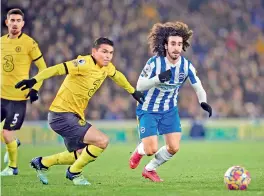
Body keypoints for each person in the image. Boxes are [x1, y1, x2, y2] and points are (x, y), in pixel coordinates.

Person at [15, 37, 145, 185]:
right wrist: (34, 80)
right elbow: (57, 68)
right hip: (62, 114)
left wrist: (132, 91)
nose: (108, 56)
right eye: (104, 51)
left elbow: (118, 76)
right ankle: (74, 172)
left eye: (111, 52)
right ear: (94, 51)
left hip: (72, 115)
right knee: (102, 141)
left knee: (80, 154)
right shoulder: (84, 63)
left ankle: (42, 163)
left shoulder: (106, 67)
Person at [129, 21, 212, 182]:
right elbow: (139, 85)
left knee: (174, 147)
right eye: (173, 43)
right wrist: (157, 79)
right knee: (151, 148)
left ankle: (149, 169)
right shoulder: (154, 63)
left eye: (179, 44)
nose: (176, 48)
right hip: (148, 109)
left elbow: (198, 86)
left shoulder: (186, 66)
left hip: (169, 110)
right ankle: (140, 151)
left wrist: (203, 102)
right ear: (166, 45)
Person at [1, 8, 47, 176]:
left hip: (17, 98)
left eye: (18, 20)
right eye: (12, 20)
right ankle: (14, 142)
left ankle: (13, 168)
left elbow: (43, 68)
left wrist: (35, 88)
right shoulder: (1, 42)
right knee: (7, 136)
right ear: (7, 22)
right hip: (1, 96)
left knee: (6, 133)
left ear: (23, 23)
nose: (15, 23)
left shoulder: (29, 43)